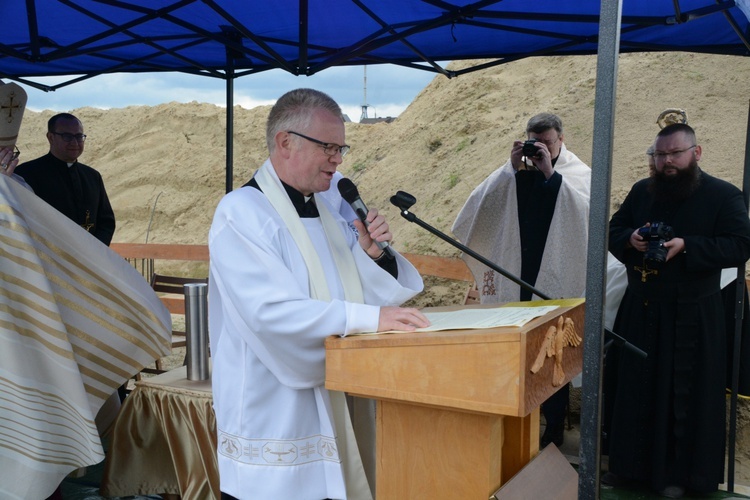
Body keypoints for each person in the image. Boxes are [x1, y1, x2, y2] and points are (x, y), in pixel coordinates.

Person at [208, 88, 429, 500]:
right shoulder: (242, 213)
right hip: (276, 411)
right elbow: (270, 313)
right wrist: (369, 320)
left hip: (338, 395)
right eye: (328, 146)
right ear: (285, 142)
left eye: (341, 147)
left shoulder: (331, 208)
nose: (338, 158)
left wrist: (372, 254)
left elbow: (352, 289)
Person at [605, 123, 750, 497]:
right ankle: (630, 470)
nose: (666, 162)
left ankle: (688, 479)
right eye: (659, 155)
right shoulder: (641, 191)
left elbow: (739, 246)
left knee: (689, 396)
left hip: (693, 318)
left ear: (696, 153)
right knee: (635, 391)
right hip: (641, 310)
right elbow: (614, 230)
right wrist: (631, 239)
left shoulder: (723, 195)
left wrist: (688, 245)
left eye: (675, 154)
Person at [452, 112, 590, 448]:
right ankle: (507, 420)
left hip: (553, 274)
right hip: (514, 268)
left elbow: (588, 215)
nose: (541, 148)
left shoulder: (577, 173)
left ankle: (553, 427)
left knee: (551, 351)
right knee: (512, 351)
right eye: (535, 142)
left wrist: (550, 175)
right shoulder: (512, 172)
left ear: (561, 140)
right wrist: (510, 168)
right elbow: (478, 208)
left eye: (548, 143)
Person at [14, 113, 115, 245]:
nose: (74, 142)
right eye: (67, 136)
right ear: (51, 137)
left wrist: (96, 250)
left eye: (79, 136)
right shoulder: (25, 174)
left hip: (90, 259)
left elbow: (106, 221)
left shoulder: (93, 176)